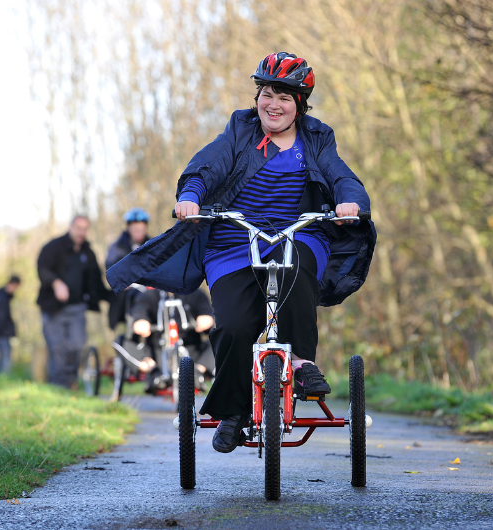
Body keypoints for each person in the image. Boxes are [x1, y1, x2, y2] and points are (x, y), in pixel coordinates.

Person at [106, 52, 376, 453]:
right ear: (257, 97)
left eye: (285, 97)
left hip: (297, 234)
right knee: (232, 323)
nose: (274, 104)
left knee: (295, 266)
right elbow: (208, 165)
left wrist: (350, 202)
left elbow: (341, 176)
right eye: (267, 94)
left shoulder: (317, 137)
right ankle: (233, 413)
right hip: (235, 239)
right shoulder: (240, 129)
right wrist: (191, 196)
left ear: (300, 104)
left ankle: (300, 362)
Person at [37, 215, 113, 389]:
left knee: (77, 345)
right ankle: (58, 386)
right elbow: (42, 269)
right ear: (70, 227)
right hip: (53, 309)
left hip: (78, 308)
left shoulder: (88, 253)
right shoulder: (53, 247)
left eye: (84, 229)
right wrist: (56, 283)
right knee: (58, 349)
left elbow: (96, 283)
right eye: (78, 228)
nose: (81, 232)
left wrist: (116, 293)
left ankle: (70, 381)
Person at [129, 288, 215, 390]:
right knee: (121, 341)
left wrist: (206, 318)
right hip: (158, 352)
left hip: (193, 351)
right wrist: (141, 320)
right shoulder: (149, 296)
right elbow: (140, 310)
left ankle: (199, 371)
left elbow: (206, 310)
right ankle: (152, 370)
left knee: (221, 338)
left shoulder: (195, 293)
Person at [106, 208, 151, 331]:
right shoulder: (117, 248)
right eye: (135, 230)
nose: (138, 233)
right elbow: (111, 266)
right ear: (128, 228)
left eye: (141, 230)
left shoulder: (153, 243)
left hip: (149, 292)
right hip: (127, 297)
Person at [0, 275, 21, 373]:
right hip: (2, 333)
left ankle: (1, 379)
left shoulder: (3, 297)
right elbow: (1, 317)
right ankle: (3, 379)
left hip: (2, 332)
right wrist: (7, 330)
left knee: (3, 357)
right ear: (12, 284)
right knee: (5, 358)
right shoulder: (2, 298)